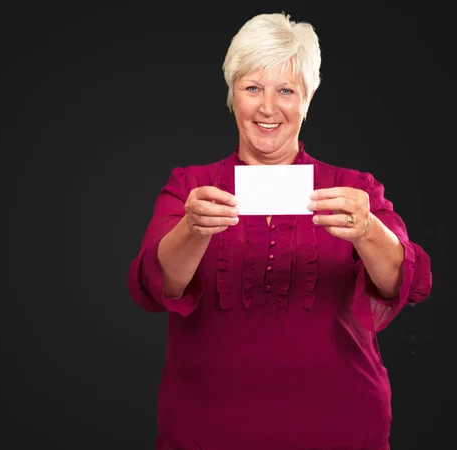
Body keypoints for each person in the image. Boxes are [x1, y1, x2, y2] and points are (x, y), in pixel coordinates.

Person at [126, 12, 432, 450]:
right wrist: (193, 230)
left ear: (307, 99)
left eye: (286, 91)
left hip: (341, 429)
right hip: (207, 432)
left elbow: (407, 282)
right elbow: (157, 285)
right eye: (253, 88)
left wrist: (368, 230)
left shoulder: (355, 188)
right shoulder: (190, 186)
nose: (268, 108)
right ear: (232, 94)